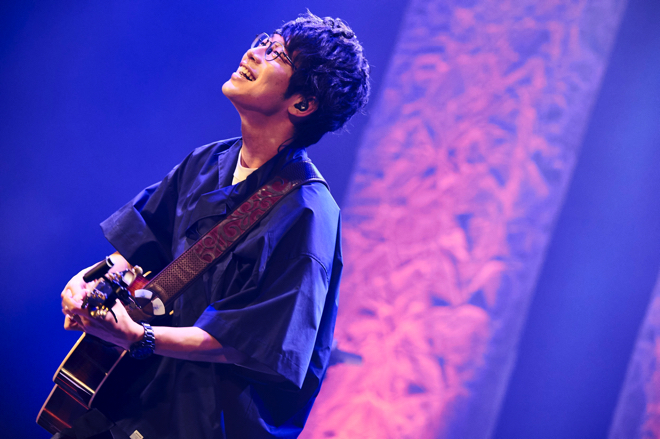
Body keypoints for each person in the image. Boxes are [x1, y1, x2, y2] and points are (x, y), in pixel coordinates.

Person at [57, 11, 370, 439]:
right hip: (129, 393)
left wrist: (140, 337)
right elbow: (139, 247)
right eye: (265, 41)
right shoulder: (208, 160)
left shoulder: (308, 213)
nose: (255, 52)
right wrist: (87, 283)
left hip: (201, 419)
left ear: (302, 104)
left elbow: (249, 344)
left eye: (277, 54)